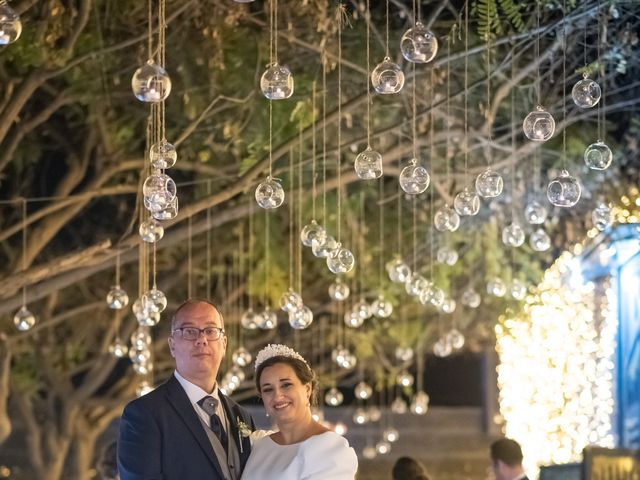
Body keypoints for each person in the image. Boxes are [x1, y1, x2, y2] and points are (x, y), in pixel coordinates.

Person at [117, 299, 255, 480]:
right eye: (189, 331)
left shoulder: (242, 416)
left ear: (224, 344)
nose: (201, 339)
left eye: (211, 331)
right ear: (172, 345)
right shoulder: (144, 414)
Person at [241, 344, 358, 480]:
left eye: (286, 385)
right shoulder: (259, 445)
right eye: (268, 389)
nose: (277, 396)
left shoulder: (331, 449)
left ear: (307, 389)